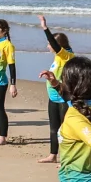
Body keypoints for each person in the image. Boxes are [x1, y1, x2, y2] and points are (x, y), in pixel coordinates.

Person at [35, 15, 75, 164]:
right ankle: (53, 155)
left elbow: (55, 45)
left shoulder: (67, 56)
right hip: (53, 98)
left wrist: (45, 28)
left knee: (65, 131)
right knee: (53, 128)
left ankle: (66, 159)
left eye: (49, 44)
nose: (47, 46)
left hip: (64, 99)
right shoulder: (58, 58)